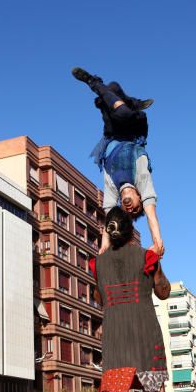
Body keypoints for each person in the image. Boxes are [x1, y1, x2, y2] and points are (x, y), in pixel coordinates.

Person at [89, 207, 184, 392]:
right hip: (144, 334)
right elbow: (163, 292)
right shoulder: (147, 256)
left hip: (115, 337)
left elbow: (100, 297)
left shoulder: (99, 263)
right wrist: (158, 265)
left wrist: (104, 248)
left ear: (108, 232)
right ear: (132, 231)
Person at [72, 68, 163, 257]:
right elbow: (151, 212)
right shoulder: (141, 179)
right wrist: (157, 241)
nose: (130, 207)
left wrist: (104, 246)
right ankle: (93, 82)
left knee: (112, 87)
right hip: (132, 130)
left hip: (111, 134)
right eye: (137, 208)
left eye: (127, 209)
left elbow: (109, 216)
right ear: (139, 196)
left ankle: (125, 100)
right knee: (122, 111)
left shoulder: (114, 186)